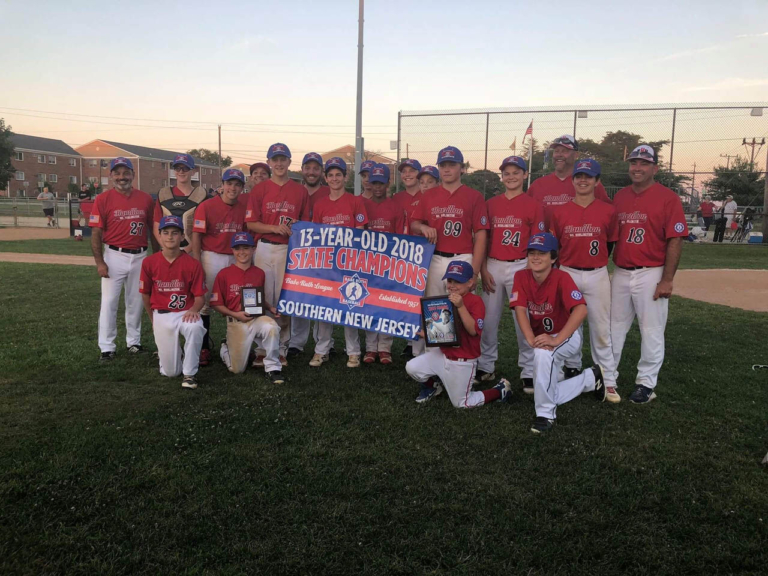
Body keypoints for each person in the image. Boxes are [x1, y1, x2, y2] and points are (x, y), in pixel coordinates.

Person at [611, 145, 688, 404]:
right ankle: (608, 378)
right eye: (634, 162)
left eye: (644, 163)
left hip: (651, 272)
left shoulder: (668, 198)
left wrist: (667, 280)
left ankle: (646, 383)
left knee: (651, 330)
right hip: (621, 271)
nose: (637, 167)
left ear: (655, 168)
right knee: (614, 328)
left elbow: (675, 240)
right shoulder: (620, 197)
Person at [509, 233, 606, 433]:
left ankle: (545, 414)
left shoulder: (562, 277)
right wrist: (530, 339)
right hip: (542, 336)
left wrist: (556, 339)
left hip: (566, 336)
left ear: (553, 258)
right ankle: (589, 378)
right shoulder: (521, 276)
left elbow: (581, 310)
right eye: (532, 253)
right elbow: (519, 309)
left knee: (543, 354)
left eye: (542, 253)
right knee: (545, 382)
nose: (535, 257)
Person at [549, 159, 620, 402]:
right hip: (567, 271)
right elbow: (554, 246)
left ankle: (608, 379)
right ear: (572, 180)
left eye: (588, 177)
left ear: (597, 181)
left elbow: (610, 243)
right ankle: (569, 368)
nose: (582, 180)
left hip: (597, 272)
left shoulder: (608, 210)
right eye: (579, 176)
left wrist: (596, 262)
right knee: (566, 325)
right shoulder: (559, 211)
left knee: (601, 329)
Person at [410, 146, 489, 355]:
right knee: (434, 310)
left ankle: (462, 358)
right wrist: (423, 227)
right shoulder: (429, 195)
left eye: (451, 165)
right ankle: (434, 362)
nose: (446, 169)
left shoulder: (473, 196)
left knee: (462, 308)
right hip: (435, 258)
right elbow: (414, 223)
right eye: (443, 165)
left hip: (462, 257)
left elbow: (481, 234)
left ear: (461, 168)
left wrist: (474, 270)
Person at [406, 260, 512, 407]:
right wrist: (426, 334)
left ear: (469, 283)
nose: (452, 285)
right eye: (450, 281)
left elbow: (473, 331)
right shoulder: (443, 300)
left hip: (463, 361)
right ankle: (433, 386)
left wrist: (461, 306)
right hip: (443, 355)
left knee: (462, 403)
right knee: (412, 367)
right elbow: (443, 333)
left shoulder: (476, 301)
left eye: (458, 281)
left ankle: (499, 390)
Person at [478, 156, 543, 391]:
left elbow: (537, 242)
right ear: (502, 176)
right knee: (488, 319)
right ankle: (486, 365)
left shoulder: (534, 205)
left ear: (525, 175)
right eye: (507, 173)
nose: (511, 176)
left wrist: (530, 270)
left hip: (521, 266)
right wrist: (483, 269)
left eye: (516, 172)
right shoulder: (491, 203)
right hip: (494, 264)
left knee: (522, 320)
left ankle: (527, 369)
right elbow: (483, 240)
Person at [244, 143, 309, 367]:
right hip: (263, 246)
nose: (279, 163)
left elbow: (306, 223)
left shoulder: (299, 190)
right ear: (270, 162)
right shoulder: (259, 190)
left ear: (290, 162)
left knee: (284, 299)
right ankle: (261, 348)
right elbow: (251, 222)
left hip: (287, 250)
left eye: (283, 159)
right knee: (260, 296)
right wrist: (273, 228)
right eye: (275, 159)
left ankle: (281, 347)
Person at [89, 157, 157, 361]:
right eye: (117, 173)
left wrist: (157, 256)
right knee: (109, 302)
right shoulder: (103, 199)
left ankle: (133, 342)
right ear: (111, 176)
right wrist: (100, 262)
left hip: (140, 255)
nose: (121, 177)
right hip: (114, 255)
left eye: (125, 172)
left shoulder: (145, 198)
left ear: (133, 175)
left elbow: (152, 230)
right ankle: (107, 347)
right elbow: (96, 233)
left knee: (135, 301)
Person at [310, 157, 368, 368]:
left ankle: (353, 352)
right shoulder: (320, 204)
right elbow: (315, 235)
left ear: (345, 177)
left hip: (349, 263)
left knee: (349, 305)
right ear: (326, 178)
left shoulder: (355, 201)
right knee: (324, 308)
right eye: (331, 175)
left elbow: (361, 232)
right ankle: (321, 350)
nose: (335, 178)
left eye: (338, 175)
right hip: (326, 264)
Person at [139, 215, 206, 389]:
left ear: (182, 236)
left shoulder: (193, 264)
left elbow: (200, 297)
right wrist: (153, 319)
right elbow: (145, 295)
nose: (170, 237)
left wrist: (194, 309)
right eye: (166, 232)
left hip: (185, 312)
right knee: (170, 372)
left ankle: (190, 374)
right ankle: (176, 357)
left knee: (196, 327)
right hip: (162, 314)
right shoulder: (149, 262)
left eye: (175, 233)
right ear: (159, 236)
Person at [191, 168, 248, 366]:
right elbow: (197, 235)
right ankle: (203, 346)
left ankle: (231, 342)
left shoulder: (244, 206)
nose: (232, 187)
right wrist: (197, 260)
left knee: (235, 301)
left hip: (235, 257)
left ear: (242, 187)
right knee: (204, 304)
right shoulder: (207, 206)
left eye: (237, 184)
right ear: (222, 185)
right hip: (211, 256)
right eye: (229, 183)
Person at [210, 232, 284, 383]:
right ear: (232, 250)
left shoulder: (259, 273)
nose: (241, 252)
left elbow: (259, 298)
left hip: (256, 318)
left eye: (245, 248)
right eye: (238, 249)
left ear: (253, 249)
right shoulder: (224, 274)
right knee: (237, 370)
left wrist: (270, 308)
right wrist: (235, 314)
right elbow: (216, 304)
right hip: (236, 321)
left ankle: (273, 367)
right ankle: (226, 348)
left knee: (272, 327)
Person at [287, 152, 332, 357]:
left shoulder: (330, 192)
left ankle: (324, 343)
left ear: (322, 171)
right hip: (299, 252)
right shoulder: (295, 191)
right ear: (302, 169)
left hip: (325, 253)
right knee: (300, 295)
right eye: (308, 168)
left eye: (316, 168)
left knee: (324, 299)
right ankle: (297, 343)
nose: (311, 172)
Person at [362, 163, 405, 364]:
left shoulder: (395, 207)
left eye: (381, 183)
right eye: (374, 182)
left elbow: (399, 237)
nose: (377, 187)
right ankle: (371, 347)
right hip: (368, 262)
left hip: (388, 263)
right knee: (369, 303)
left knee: (387, 304)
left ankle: (385, 347)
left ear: (388, 183)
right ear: (370, 183)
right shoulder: (362, 205)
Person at [527, 134, 612, 221]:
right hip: (544, 234)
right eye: (556, 151)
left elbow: (607, 212)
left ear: (576, 155)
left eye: (564, 151)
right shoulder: (538, 185)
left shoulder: (587, 184)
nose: (559, 155)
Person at [153, 154, 208, 251]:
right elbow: (156, 226)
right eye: (177, 168)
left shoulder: (202, 196)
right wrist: (168, 250)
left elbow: (202, 231)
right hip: (167, 251)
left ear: (193, 171)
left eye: (185, 168)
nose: (181, 172)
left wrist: (186, 252)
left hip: (192, 251)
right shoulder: (163, 194)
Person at [394, 158, 423, 234]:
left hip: (423, 244)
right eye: (404, 172)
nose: (407, 174)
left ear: (419, 174)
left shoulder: (427, 196)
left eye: (412, 171)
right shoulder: (396, 198)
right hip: (401, 243)